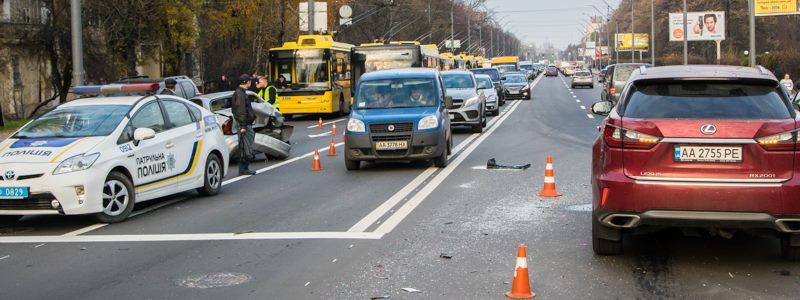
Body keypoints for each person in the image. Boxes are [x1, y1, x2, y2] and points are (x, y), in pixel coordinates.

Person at [232, 74, 257, 176]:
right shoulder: (240, 94)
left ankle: (244, 168)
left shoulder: (240, 93)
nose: (251, 82)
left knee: (244, 145)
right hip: (244, 125)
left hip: (245, 123)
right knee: (245, 146)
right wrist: (243, 126)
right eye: (250, 81)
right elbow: (241, 111)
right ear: (246, 82)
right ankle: (243, 169)